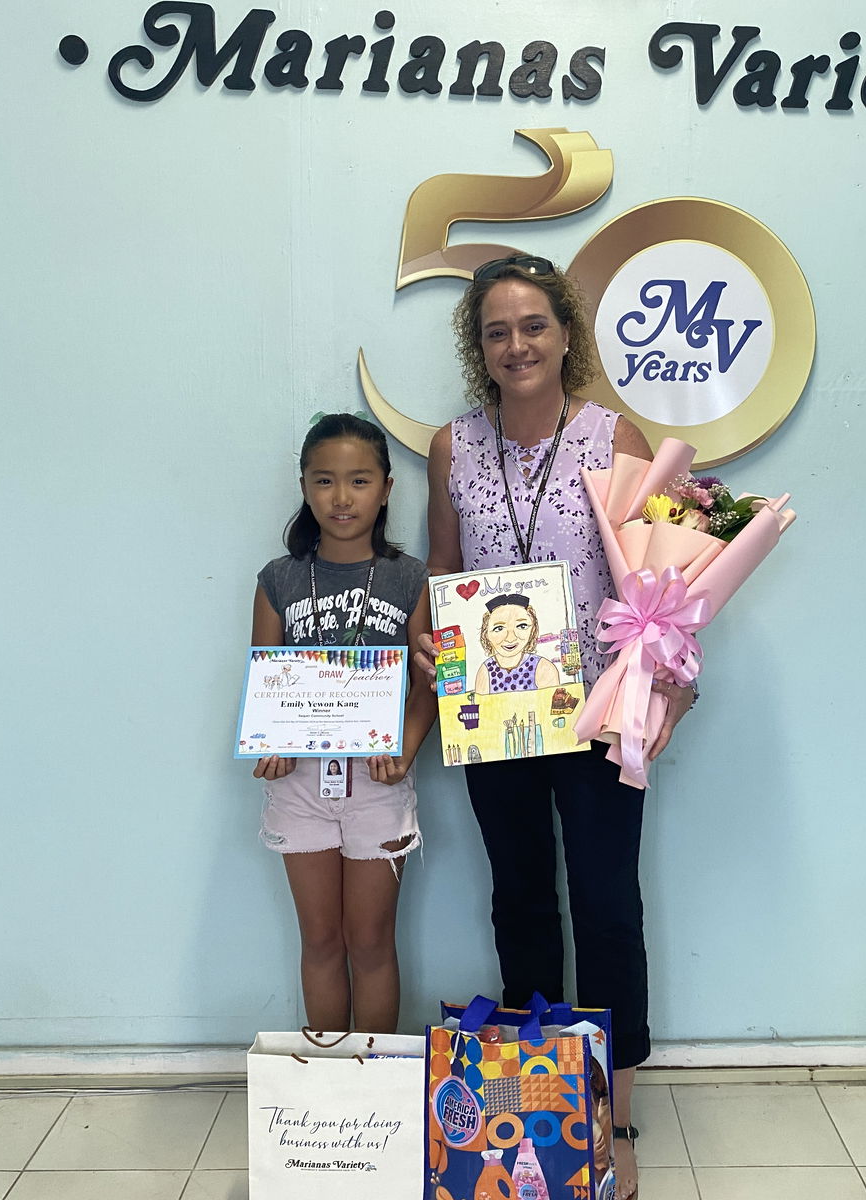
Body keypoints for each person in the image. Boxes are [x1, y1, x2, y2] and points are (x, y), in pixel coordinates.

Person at [422, 255, 695, 1200]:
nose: (517, 345)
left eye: (533, 325)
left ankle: (611, 1112)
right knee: (522, 901)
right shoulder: (452, 445)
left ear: (566, 334)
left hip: (594, 709)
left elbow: (659, 578)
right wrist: (434, 649)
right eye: (496, 331)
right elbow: (442, 572)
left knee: (609, 904)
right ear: (479, 347)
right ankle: (543, 1108)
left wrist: (669, 685)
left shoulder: (612, 434)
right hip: (495, 711)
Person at [252, 413, 436, 1033]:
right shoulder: (278, 579)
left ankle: (374, 1088)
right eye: (324, 480)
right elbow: (266, 677)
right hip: (299, 787)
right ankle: (327, 1092)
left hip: (379, 784)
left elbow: (430, 682)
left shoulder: (409, 580)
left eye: (359, 481)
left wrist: (405, 750)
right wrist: (272, 743)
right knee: (322, 940)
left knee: (371, 943)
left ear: (386, 488)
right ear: (304, 485)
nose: (341, 496)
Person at [474, 592, 559, 693]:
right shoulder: (485, 671)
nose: (510, 638)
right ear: (486, 634)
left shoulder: (544, 668)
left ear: (533, 630)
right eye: (499, 628)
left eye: (522, 626)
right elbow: (482, 707)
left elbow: (553, 706)